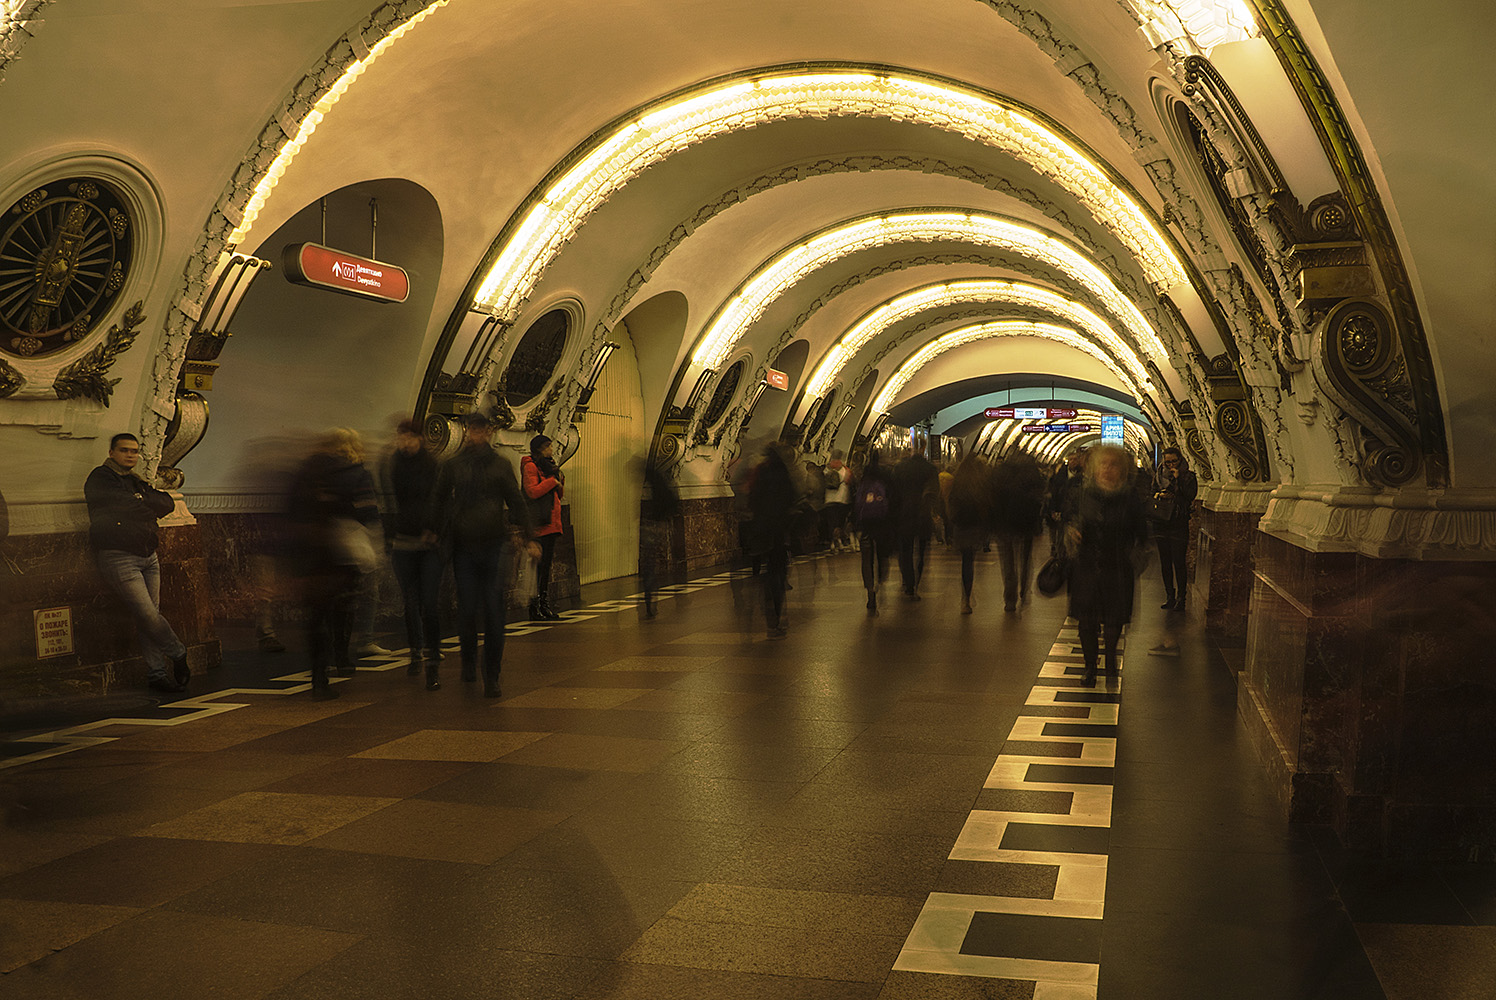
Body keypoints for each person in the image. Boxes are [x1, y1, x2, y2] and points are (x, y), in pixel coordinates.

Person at [428, 414, 537, 697]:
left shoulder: (500, 465)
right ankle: (467, 662)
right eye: (471, 431)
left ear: (487, 433)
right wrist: (434, 531)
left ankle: (492, 675)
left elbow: (515, 499)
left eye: (479, 431)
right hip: (463, 547)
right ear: (467, 433)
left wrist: (529, 536)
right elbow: (438, 499)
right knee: (466, 610)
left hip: (493, 545)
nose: (474, 436)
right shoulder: (453, 465)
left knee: (493, 610)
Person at [84, 433, 192, 694]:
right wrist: (144, 504)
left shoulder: (136, 481)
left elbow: (165, 503)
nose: (130, 455)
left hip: (148, 556)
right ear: (111, 452)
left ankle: (157, 674)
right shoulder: (100, 478)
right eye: (124, 450)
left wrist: (141, 501)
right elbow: (120, 505)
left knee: (149, 617)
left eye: (134, 451)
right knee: (147, 614)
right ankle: (177, 652)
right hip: (118, 556)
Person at [286, 429, 381, 699]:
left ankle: (319, 675)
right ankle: (341, 657)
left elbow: (291, 512)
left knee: (316, 619)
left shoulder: (304, 473)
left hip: (309, 558)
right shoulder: (351, 472)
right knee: (342, 608)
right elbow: (364, 512)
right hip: (337, 556)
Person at [1065, 445, 1149, 687]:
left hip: (1118, 569)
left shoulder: (1130, 497)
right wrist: (1071, 533)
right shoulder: (1082, 493)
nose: (1108, 469)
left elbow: (1142, 534)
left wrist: (1134, 560)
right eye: (1104, 464)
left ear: (1121, 470)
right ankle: (1090, 666)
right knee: (1087, 621)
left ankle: (1110, 658)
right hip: (1086, 568)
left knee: (1114, 621)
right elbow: (1068, 519)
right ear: (1094, 468)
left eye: (1114, 464)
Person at [387, 419, 444, 689]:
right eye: (401, 437)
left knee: (429, 603)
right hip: (404, 541)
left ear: (420, 438)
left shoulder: (432, 466)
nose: (404, 442)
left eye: (409, 436)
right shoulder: (394, 464)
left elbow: (439, 500)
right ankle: (415, 653)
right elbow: (391, 500)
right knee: (410, 602)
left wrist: (433, 529)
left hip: (428, 543)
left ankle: (433, 659)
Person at [748, 442, 796, 637]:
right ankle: (778, 615)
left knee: (768, 574)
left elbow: (752, 498)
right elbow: (791, 498)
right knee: (779, 573)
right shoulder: (783, 473)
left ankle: (769, 615)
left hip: (762, 529)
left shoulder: (761, 473)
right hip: (779, 532)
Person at [992, 450, 1046, 612]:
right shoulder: (1032, 473)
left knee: (1008, 561)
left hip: (1004, 524)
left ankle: (1010, 598)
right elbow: (1039, 499)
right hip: (1026, 524)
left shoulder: (1001, 472)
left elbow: (994, 497)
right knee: (1025, 558)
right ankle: (1024, 588)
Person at [521, 434, 565, 621]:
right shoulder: (530, 466)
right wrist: (551, 482)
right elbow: (532, 491)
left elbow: (558, 495)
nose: (551, 450)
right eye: (548, 446)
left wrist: (559, 481)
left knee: (546, 567)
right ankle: (534, 605)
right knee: (538, 568)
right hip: (540, 523)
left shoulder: (550, 467)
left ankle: (544, 604)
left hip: (552, 521)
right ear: (539, 449)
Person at [1151, 446, 1198, 614]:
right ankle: (1169, 596)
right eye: (1167, 462)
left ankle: (1181, 598)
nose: (1170, 465)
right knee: (1165, 562)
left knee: (1179, 561)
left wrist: (1178, 482)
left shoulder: (1188, 476)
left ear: (1180, 460)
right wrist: (1159, 495)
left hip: (1178, 523)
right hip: (1161, 521)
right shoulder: (1158, 476)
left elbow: (1190, 496)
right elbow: (1152, 493)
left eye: (1173, 461)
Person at [946, 453, 991, 615]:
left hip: (961, 525)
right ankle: (967, 595)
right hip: (975, 525)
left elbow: (951, 501)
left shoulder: (958, 480)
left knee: (966, 561)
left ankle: (965, 599)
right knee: (970, 559)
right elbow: (987, 502)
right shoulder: (980, 481)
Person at [854, 449, 897, 615]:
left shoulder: (865, 477)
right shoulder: (887, 475)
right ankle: (881, 580)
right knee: (882, 555)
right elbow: (892, 499)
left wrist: (857, 523)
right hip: (883, 523)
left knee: (866, 559)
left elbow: (857, 501)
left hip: (866, 524)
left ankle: (870, 590)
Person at [894, 447, 938, 599]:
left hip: (904, 515)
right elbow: (934, 493)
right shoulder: (930, 469)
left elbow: (894, 494)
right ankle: (917, 579)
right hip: (923, 515)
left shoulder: (900, 468)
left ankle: (908, 582)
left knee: (905, 551)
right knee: (922, 551)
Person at [640, 462, 680, 618]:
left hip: (650, 527)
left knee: (649, 565)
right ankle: (651, 597)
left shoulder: (650, 487)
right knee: (653, 565)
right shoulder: (663, 486)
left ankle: (648, 597)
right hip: (658, 525)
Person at [1044, 449, 1085, 556]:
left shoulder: (1082, 476)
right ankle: (1059, 552)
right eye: (1071, 459)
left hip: (1076, 511)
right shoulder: (1060, 475)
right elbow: (1055, 493)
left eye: (1075, 459)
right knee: (1061, 533)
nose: (1073, 462)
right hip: (1062, 508)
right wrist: (1054, 509)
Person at [821, 449, 853, 552]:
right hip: (842, 499)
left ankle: (833, 542)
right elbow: (850, 482)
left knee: (831, 522)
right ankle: (839, 542)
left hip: (829, 499)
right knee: (840, 522)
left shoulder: (826, 469)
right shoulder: (846, 470)